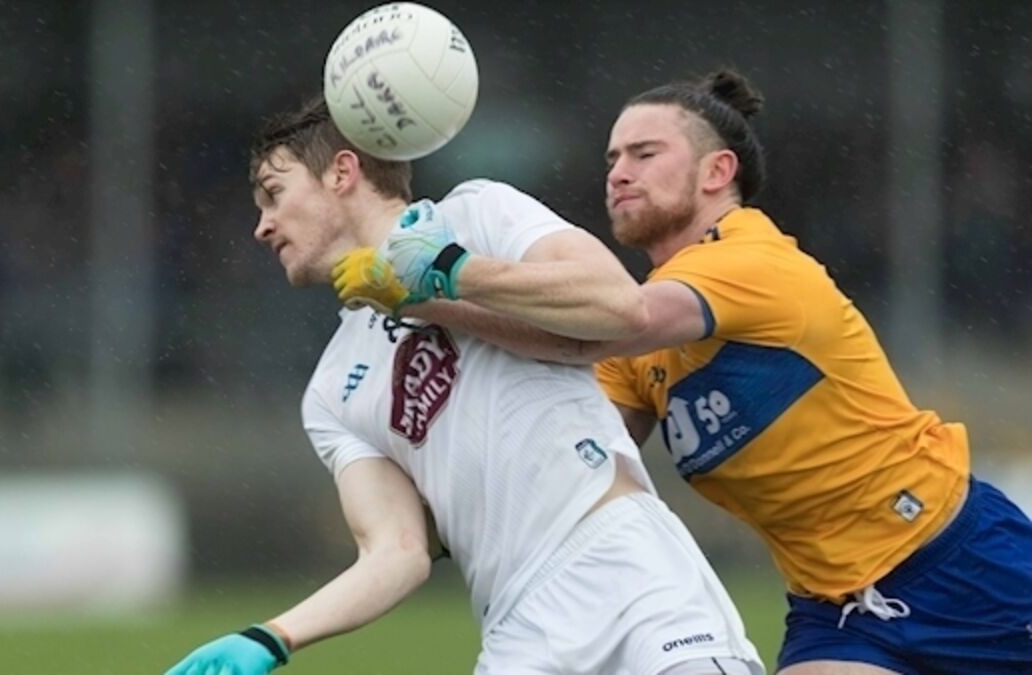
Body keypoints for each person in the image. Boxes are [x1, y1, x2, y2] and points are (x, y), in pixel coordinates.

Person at [342, 70, 1032, 674]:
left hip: (961, 560)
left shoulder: (750, 260)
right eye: (612, 158)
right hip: (840, 610)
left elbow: (616, 323)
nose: (618, 172)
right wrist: (435, 496)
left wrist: (447, 271)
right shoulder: (635, 338)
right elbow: (573, 433)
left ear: (716, 173)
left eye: (644, 154)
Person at [163, 96, 764, 675]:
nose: (262, 227)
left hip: (623, 570)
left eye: (273, 194)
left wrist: (442, 275)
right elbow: (397, 554)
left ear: (342, 172)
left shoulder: (476, 215)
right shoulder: (330, 393)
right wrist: (271, 636)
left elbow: (620, 305)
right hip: (517, 629)